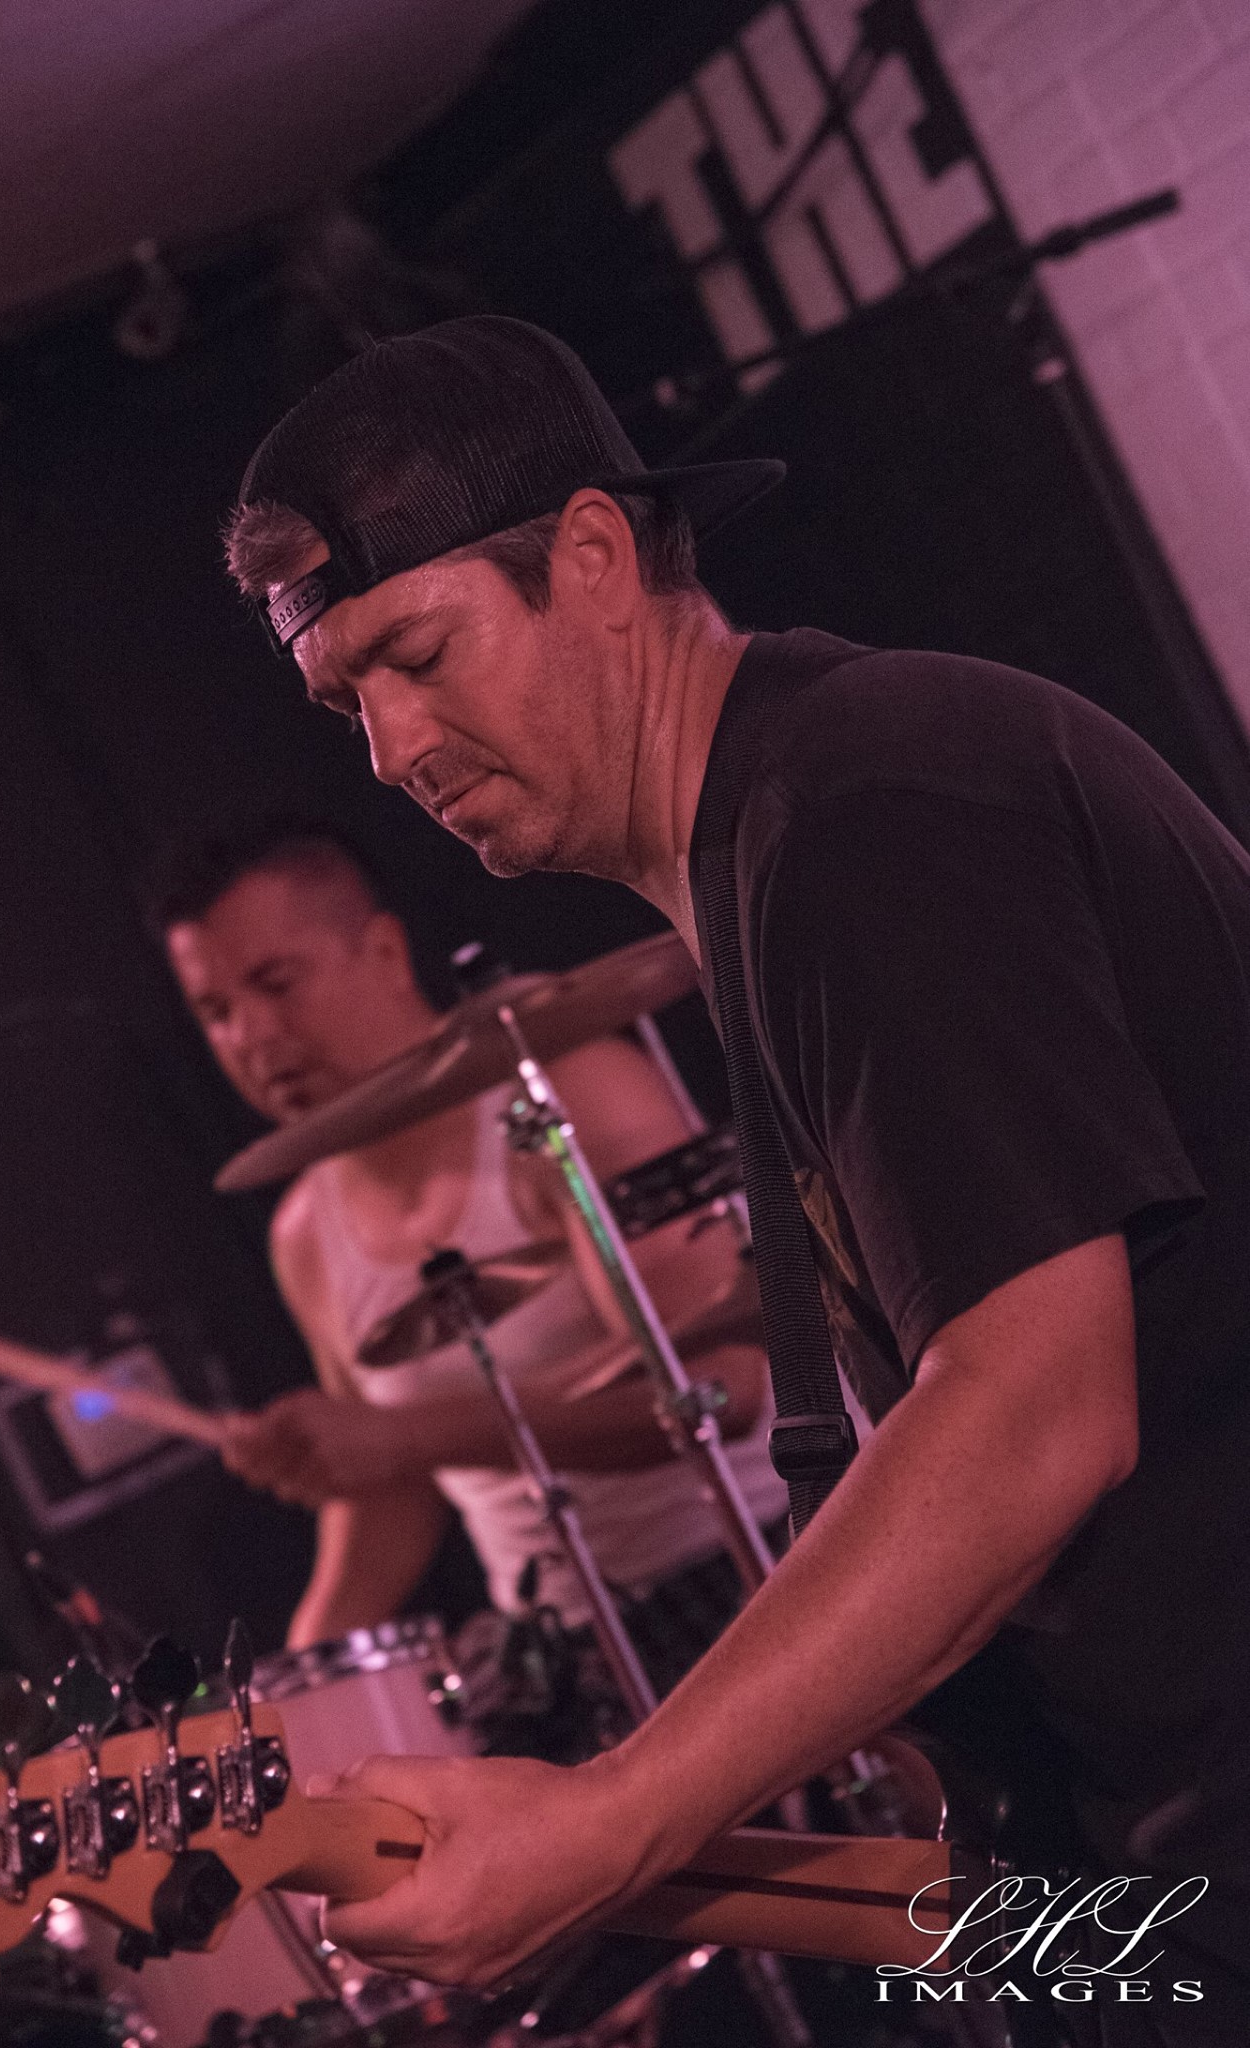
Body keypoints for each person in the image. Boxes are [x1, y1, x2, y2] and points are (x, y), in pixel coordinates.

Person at [218, 318, 1250, 2036]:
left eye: (418, 653)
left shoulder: (862, 809)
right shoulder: (782, 835)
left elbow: (1035, 1411)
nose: (391, 749)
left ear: (594, 556)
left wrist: (614, 1814)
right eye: (348, 702)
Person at [152, 815, 789, 1734]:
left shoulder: (561, 1097)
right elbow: (395, 1490)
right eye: (215, 1012)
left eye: (275, 983)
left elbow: (719, 1389)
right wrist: (293, 1688)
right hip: (574, 1640)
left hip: (768, 1557)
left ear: (382, 950)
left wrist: (404, 1437)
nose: (250, 1033)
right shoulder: (303, 1232)